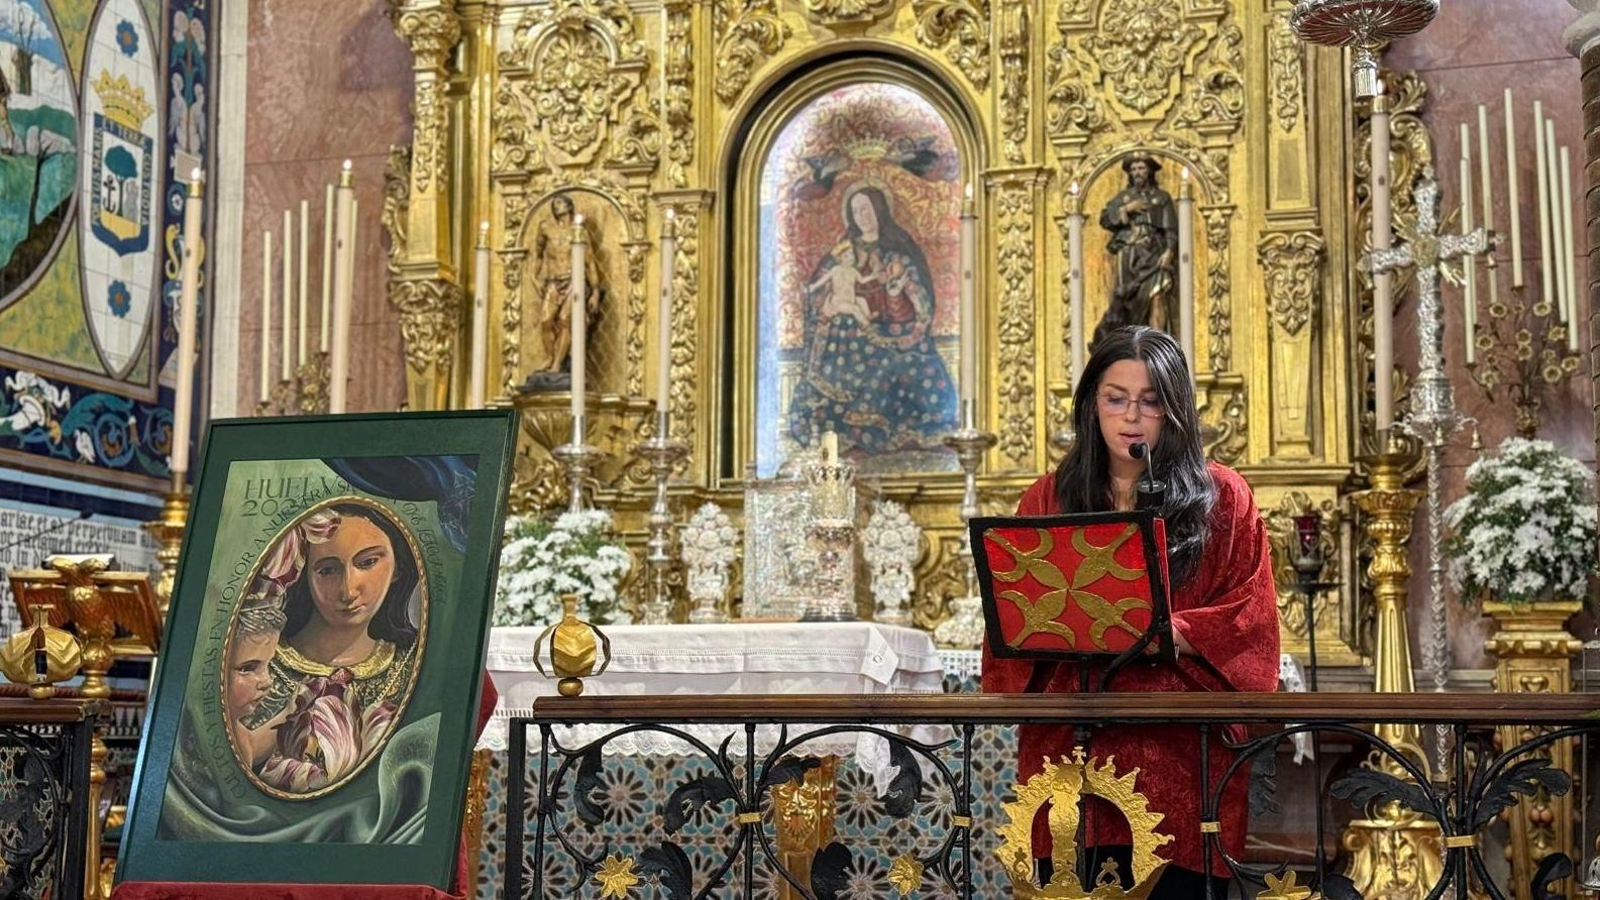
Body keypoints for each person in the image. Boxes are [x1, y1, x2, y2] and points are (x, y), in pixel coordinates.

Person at [981, 326, 1279, 897]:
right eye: (1116, 398)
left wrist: (1163, 632)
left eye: (1150, 402)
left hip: (1180, 748)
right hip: (1072, 744)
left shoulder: (1224, 497)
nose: (1132, 417)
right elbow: (1009, 621)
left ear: (1175, 411)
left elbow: (1252, 622)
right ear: (1092, 404)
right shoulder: (1047, 498)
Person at [245, 503, 423, 792]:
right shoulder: (257, 665)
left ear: (398, 568)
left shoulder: (412, 666)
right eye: (328, 570)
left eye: (367, 563)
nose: (348, 590)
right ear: (304, 573)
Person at [787, 185, 958, 459]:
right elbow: (817, 294)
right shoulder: (841, 254)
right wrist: (827, 304)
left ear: (879, 211)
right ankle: (849, 442)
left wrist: (893, 297)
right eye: (855, 211)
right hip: (846, 341)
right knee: (831, 385)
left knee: (906, 369)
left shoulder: (898, 256)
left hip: (890, 335)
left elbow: (914, 309)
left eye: (866, 209)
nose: (861, 216)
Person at [1094, 155, 1179, 346]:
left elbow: (1170, 228)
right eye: (1133, 169)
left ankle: (1157, 345)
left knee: (1157, 294)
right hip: (1129, 254)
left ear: (1149, 170)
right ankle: (1133, 346)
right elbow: (1105, 219)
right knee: (1130, 301)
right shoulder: (1124, 197)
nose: (1137, 173)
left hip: (1155, 252)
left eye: (1141, 168)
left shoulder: (1161, 198)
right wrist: (1126, 209)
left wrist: (1170, 251)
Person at [225, 594, 286, 770]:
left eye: (268, 665)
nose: (266, 681)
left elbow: (253, 746)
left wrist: (291, 712)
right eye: (248, 668)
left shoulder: (238, 732)